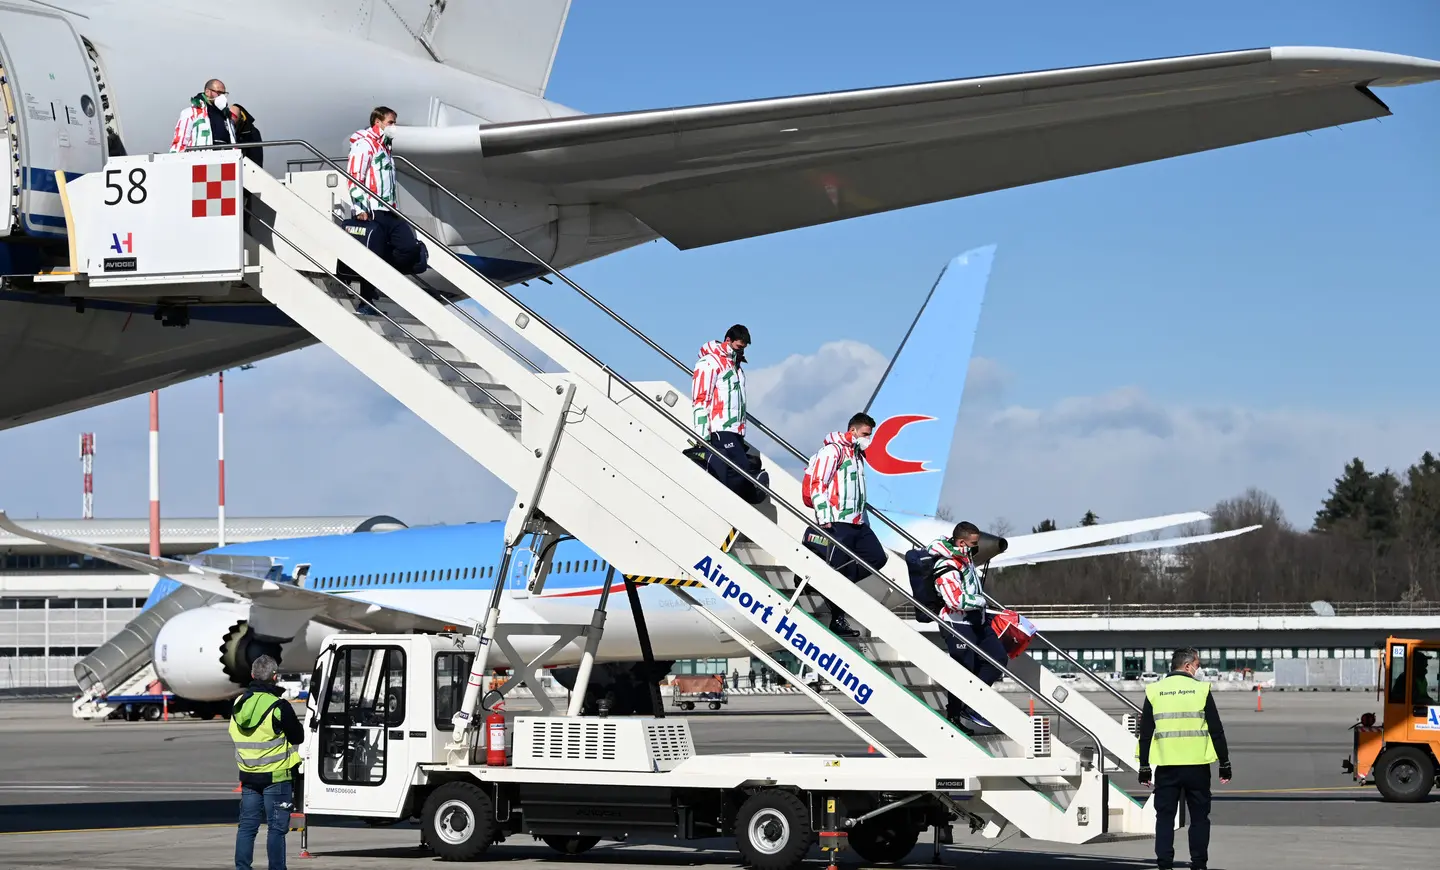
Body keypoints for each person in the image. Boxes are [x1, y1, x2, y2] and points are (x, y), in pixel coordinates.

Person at [1139, 647, 1232, 870]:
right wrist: (1224, 763)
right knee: (1199, 818)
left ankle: (1164, 864)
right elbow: (1216, 729)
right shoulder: (1200, 690)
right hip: (1197, 766)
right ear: (1188, 665)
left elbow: (1145, 733)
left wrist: (1144, 766)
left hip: (1167, 766)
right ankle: (1199, 864)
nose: (1199, 670)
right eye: (1198, 665)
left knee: (1164, 818)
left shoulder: (1154, 690)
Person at [801, 412, 887, 637]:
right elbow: (818, 484)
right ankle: (837, 618)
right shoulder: (833, 451)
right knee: (838, 568)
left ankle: (825, 583)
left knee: (877, 557)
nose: (869, 439)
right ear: (853, 431)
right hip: (837, 520)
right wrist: (824, 517)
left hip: (857, 522)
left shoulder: (858, 456)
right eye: (866, 434)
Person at [344, 106, 426, 312]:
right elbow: (355, 176)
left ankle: (383, 268)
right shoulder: (365, 144)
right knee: (372, 252)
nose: (394, 127)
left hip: (390, 210)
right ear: (378, 122)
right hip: (371, 209)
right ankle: (366, 299)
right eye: (391, 122)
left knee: (409, 248)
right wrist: (360, 206)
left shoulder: (386, 147)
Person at [931, 521, 1007, 731]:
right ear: (962, 542)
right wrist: (980, 601)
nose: (976, 547)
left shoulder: (966, 559)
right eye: (973, 543)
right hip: (957, 624)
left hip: (977, 622)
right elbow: (954, 600)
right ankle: (955, 715)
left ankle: (970, 705)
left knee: (997, 659)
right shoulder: (947, 565)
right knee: (963, 670)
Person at [231, 655, 304, 870]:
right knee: (276, 828)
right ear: (275, 677)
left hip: (248, 775)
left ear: (252, 675)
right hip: (276, 776)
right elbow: (297, 737)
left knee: (246, 827)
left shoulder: (238, 704)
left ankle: (242, 868)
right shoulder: (279, 706)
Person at [691, 326, 768, 504]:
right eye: (738, 347)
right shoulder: (709, 362)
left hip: (737, 429)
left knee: (742, 468)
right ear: (727, 341)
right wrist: (702, 436)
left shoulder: (737, 368)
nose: (741, 351)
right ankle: (745, 498)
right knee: (738, 470)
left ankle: (745, 498)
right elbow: (700, 399)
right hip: (719, 427)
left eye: (743, 348)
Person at [170, 79, 236, 152]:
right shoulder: (191, 113)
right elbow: (180, 141)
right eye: (219, 92)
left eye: (224, 93)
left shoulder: (226, 116)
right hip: (201, 159)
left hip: (227, 158)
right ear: (207, 92)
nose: (222, 97)